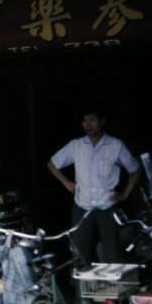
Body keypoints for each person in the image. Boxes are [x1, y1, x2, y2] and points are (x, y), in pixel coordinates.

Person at [47, 108, 140, 264]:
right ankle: (82, 287)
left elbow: (135, 169)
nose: (88, 124)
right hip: (82, 206)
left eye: (92, 120)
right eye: (85, 121)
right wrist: (67, 183)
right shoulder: (76, 145)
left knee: (113, 255)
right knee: (80, 255)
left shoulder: (115, 145)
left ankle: (114, 286)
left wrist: (125, 194)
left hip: (107, 206)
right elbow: (52, 164)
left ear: (102, 121)